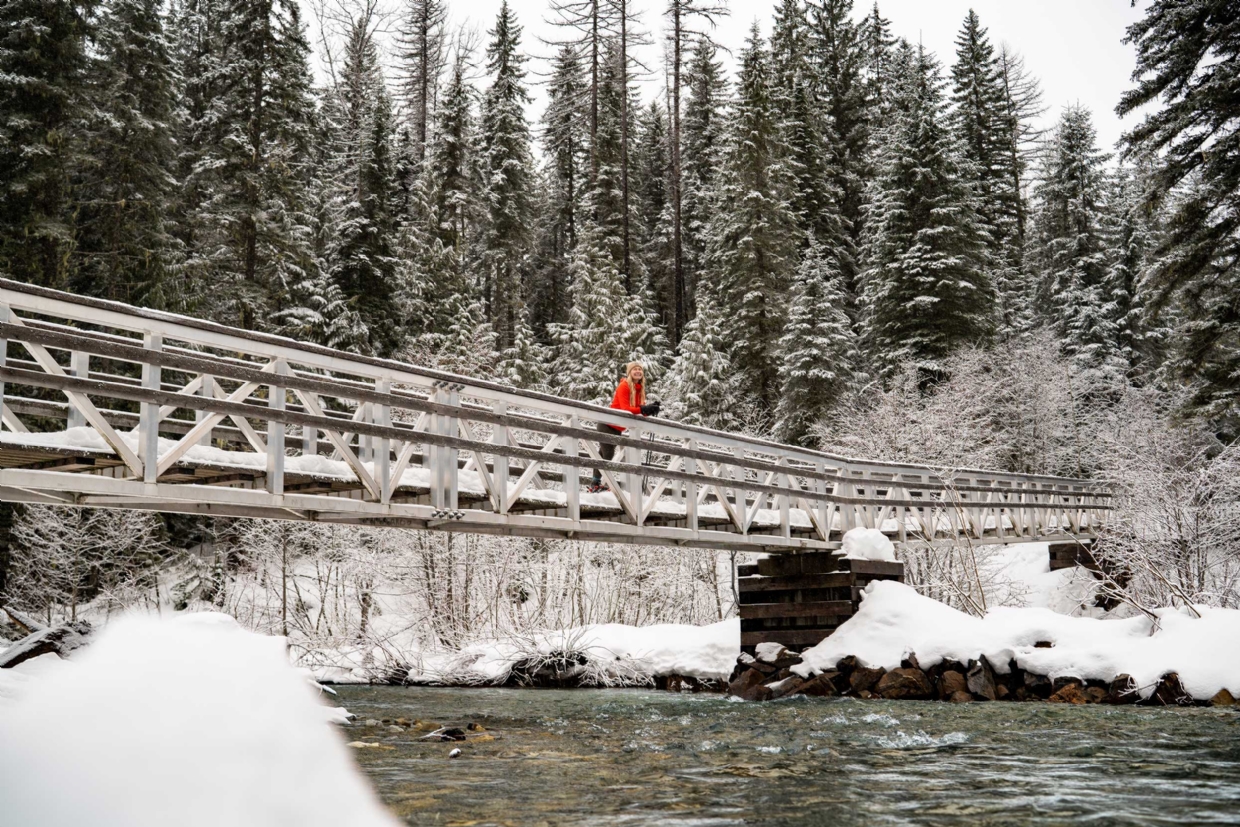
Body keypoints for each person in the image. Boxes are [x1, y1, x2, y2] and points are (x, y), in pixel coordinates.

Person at [588, 361, 660, 493]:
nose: (638, 371)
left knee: (605, 454)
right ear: (629, 372)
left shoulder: (640, 390)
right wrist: (643, 409)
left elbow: (637, 411)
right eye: (634, 369)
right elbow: (626, 409)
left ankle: (596, 483)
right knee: (608, 454)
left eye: (640, 369)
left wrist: (649, 409)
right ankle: (596, 484)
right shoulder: (624, 386)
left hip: (618, 428)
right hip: (607, 424)